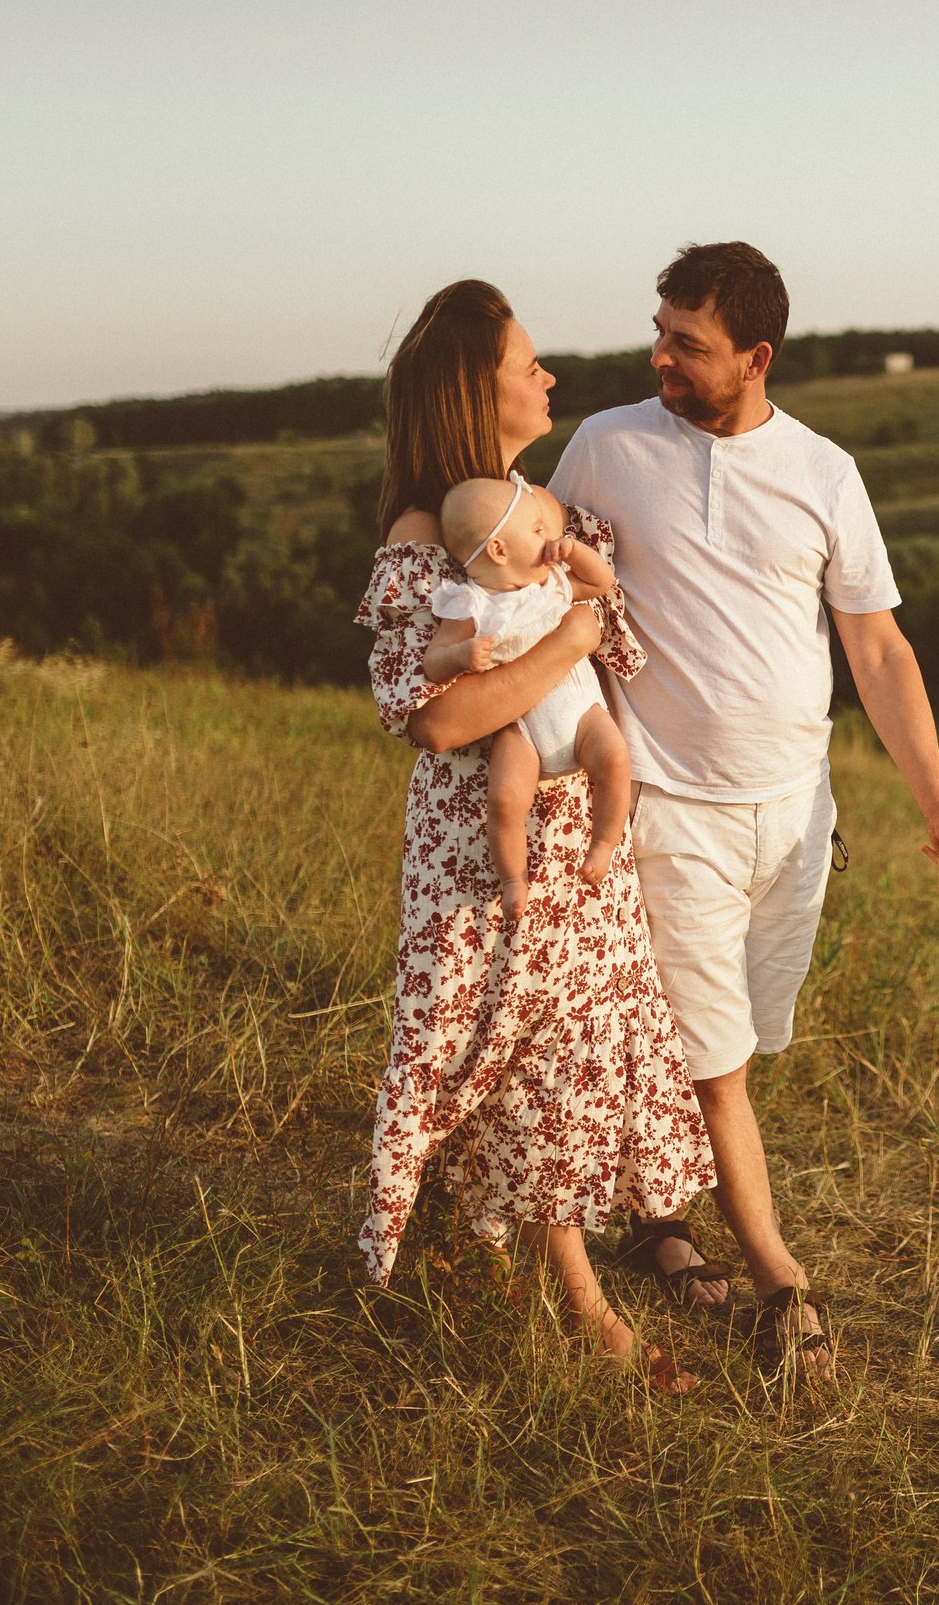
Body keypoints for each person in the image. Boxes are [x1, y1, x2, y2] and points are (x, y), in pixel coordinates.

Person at [548, 241, 939, 1374]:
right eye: (660, 333)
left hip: (797, 812)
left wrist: (936, 805)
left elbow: (878, 650)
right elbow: (534, 574)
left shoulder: (825, 473)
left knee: (743, 1036)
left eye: (687, 346)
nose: (662, 357)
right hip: (666, 803)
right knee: (717, 1062)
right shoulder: (605, 447)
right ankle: (779, 1279)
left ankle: (658, 1215)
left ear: (755, 356)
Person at [354, 277, 716, 1393]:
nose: (548, 377)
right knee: (494, 1061)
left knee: (555, 1066)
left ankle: (542, 1278)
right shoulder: (429, 535)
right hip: (487, 858)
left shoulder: (530, 509)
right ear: (477, 392)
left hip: (576, 843)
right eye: (527, 364)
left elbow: (619, 640)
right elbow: (438, 716)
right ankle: (574, 1303)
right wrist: (567, 639)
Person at [424, 472, 635, 922]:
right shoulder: (469, 605)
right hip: (521, 726)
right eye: (538, 530)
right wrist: (462, 654)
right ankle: (513, 879)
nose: (550, 538)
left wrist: (576, 553)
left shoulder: (554, 583)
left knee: (615, 758)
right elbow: (432, 662)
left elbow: (601, 583)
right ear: (499, 551)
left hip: (579, 708)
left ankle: (603, 843)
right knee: (503, 800)